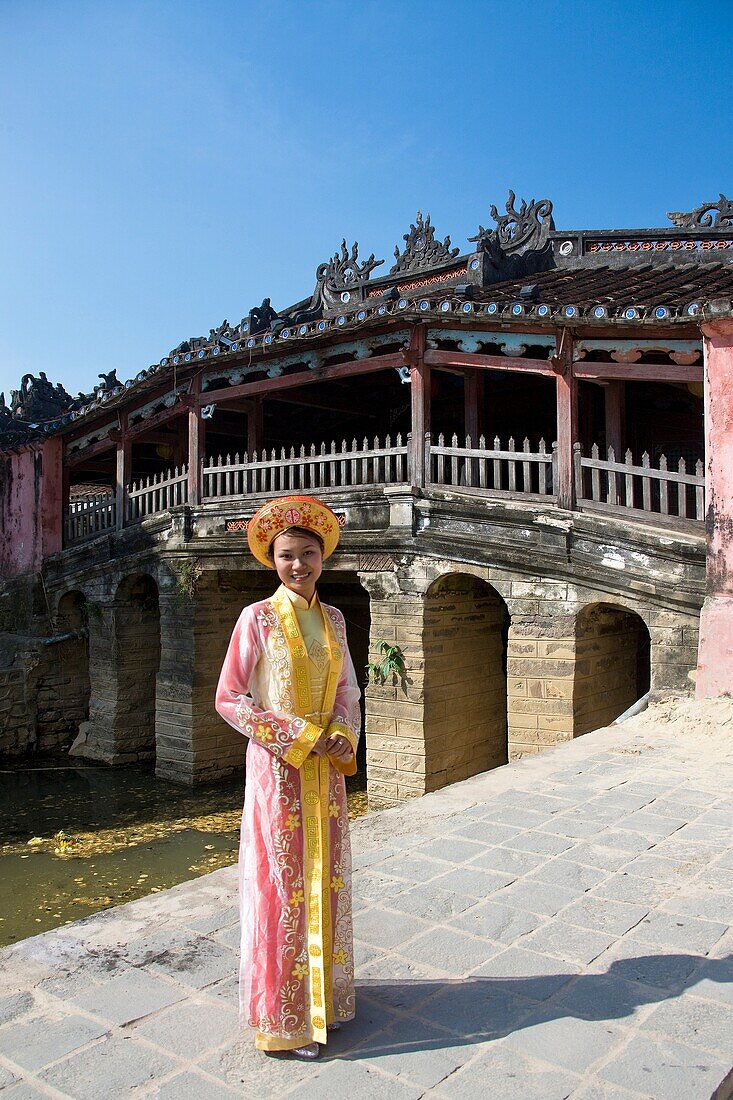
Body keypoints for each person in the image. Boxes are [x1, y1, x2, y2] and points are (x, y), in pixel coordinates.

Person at [215, 495, 361, 1060]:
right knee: (282, 886)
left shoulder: (335, 619)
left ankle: (326, 1001)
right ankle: (286, 1017)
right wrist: (296, 736)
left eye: (307, 554)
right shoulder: (256, 618)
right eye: (285, 556)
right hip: (279, 769)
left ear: (323, 557)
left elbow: (348, 689)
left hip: (327, 771)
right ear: (270, 561)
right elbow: (229, 698)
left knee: (325, 880)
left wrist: (342, 734)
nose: (297, 565)